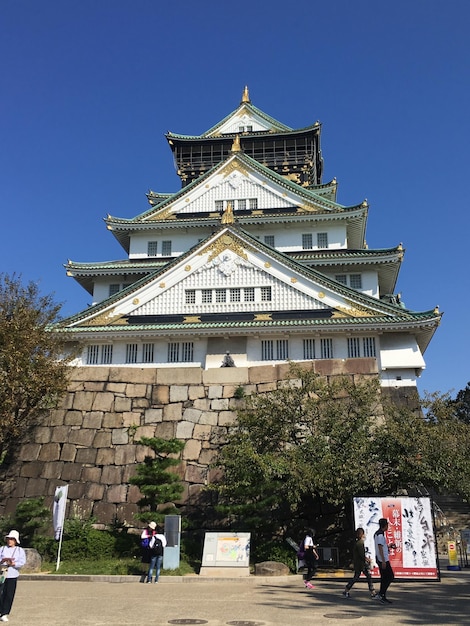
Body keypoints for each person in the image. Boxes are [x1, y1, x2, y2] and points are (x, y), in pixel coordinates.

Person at [0, 530, 26, 622]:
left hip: (12, 574)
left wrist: (14, 563)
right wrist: (2, 561)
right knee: (1, 592)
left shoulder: (19, 550)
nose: (9, 541)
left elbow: (22, 562)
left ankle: (4, 612)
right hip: (2, 574)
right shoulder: (2, 549)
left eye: (12, 539)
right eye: (8, 539)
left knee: (9, 594)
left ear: (15, 540)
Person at [342, 527, 376, 598]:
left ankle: (346, 590)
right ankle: (372, 592)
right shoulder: (360, 543)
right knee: (364, 577)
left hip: (359, 563)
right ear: (361, 534)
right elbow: (361, 555)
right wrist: (368, 560)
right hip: (361, 564)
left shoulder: (357, 542)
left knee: (359, 577)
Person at [374, 517, 395, 604]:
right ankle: (381, 594)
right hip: (383, 559)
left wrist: (389, 546)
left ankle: (382, 595)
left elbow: (382, 546)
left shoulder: (379, 534)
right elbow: (379, 547)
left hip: (382, 558)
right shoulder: (379, 535)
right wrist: (383, 560)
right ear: (385, 525)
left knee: (384, 577)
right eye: (387, 525)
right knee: (390, 576)